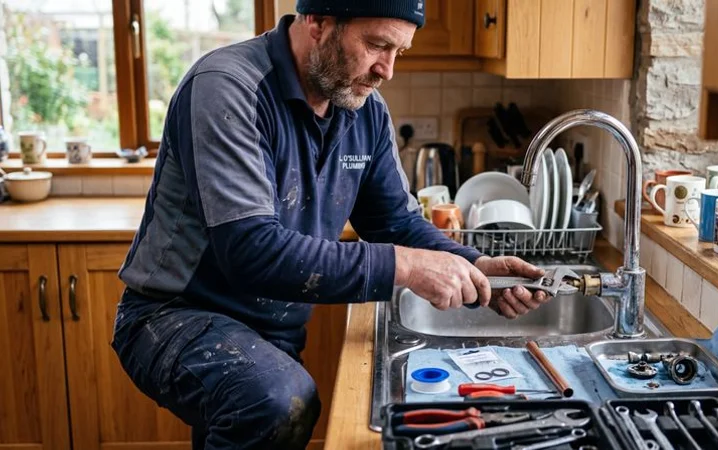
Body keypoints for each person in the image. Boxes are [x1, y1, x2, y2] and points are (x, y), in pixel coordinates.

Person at [110, 1, 552, 448]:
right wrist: (410, 267)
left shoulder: (364, 109)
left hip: (269, 327)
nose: (388, 70)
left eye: (400, 51)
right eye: (377, 44)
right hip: (173, 316)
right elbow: (251, 250)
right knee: (276, 401)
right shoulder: (227, 88)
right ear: (318, 22)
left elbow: (394, 222)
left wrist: (475, 266)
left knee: (257, 408)